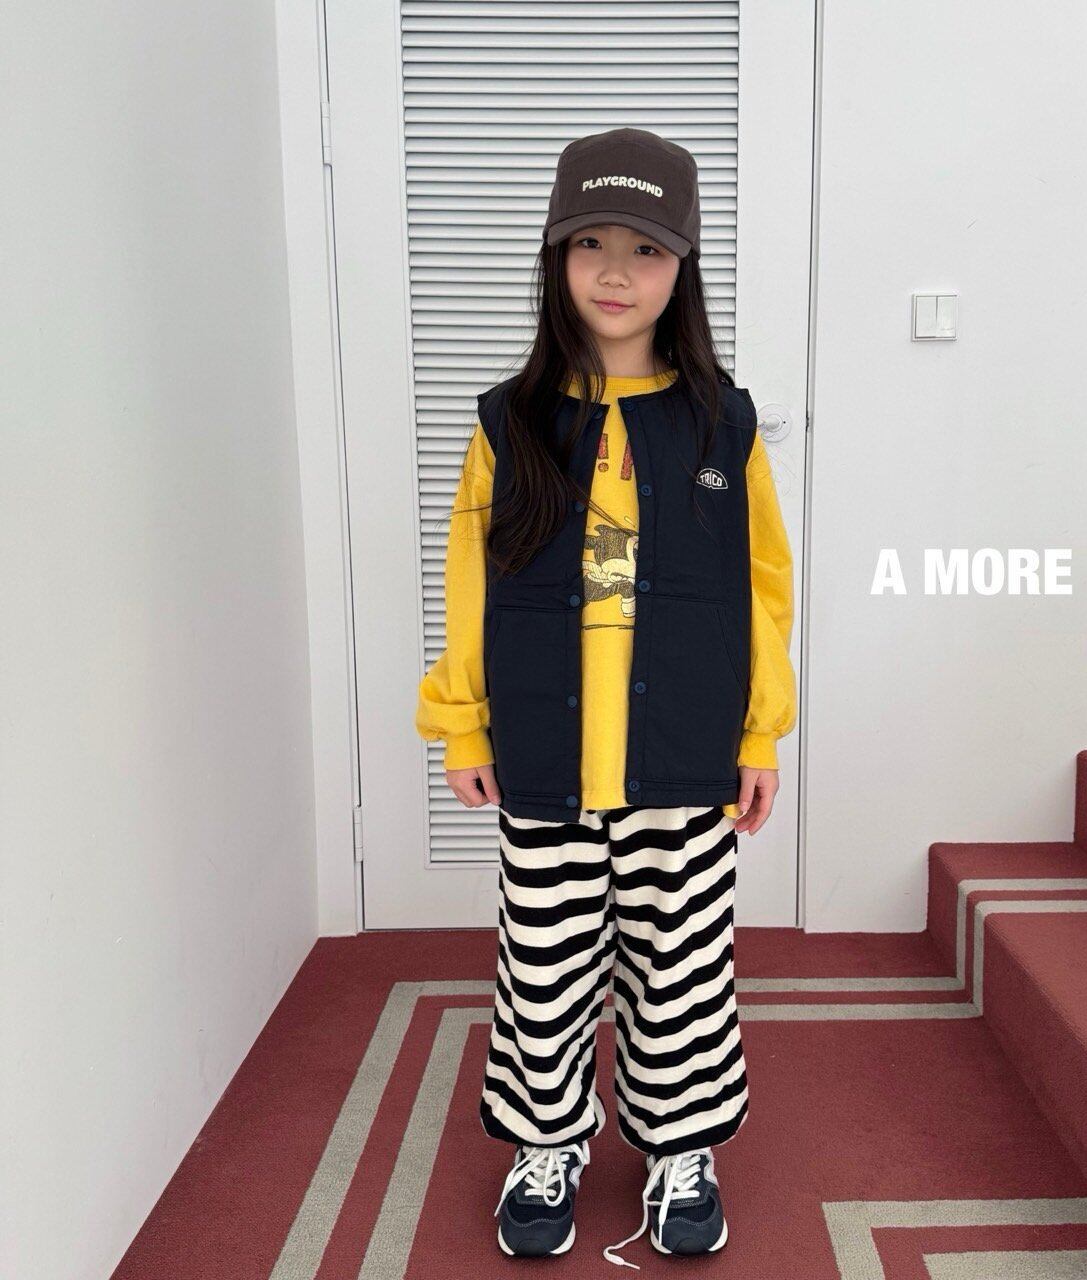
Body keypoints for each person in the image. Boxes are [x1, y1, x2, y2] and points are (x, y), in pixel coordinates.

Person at [414, 126, 797, 1269]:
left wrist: (759, 730)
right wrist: (462, 718)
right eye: (590, 244)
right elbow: (471, 580)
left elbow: (762, 587)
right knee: (544, 966)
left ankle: (681, 1145)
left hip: (683, 754)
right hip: (547, 758)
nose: (615, 272)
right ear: (555, 256)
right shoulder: (508, 422)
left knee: (680, 967)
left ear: (682, 267)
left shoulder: (722, 422)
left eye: (644, 248)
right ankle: (547, 1142)